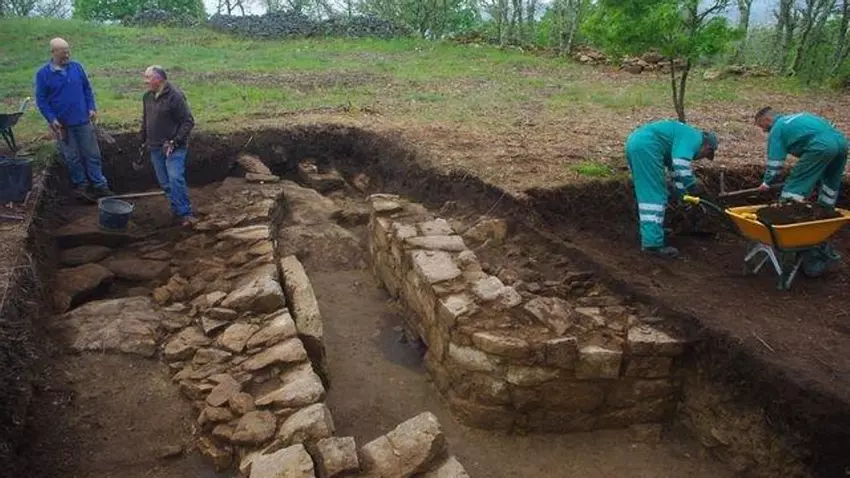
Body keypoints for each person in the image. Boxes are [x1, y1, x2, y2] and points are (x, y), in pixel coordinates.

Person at [624, 120, 719, 259]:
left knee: (652, 192)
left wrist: (682, 195)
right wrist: (692, 186)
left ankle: (653, 230)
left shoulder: (682, 137)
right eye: (704, 156)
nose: (699, 158)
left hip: (638, 143)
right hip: (647, 147)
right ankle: (652, 244)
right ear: (707, 147)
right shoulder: (693, 138)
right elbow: (681, 164)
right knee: (653, 196)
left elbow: (676, 172)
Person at [35, 37, 113, 200]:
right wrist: (51, 118)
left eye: (68, 51)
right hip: (62, 125)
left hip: (83, 120)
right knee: (72, 157)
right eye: (63, 52)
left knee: (92, 154)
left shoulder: (76, 67)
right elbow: (41, 100)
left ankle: (100, 185)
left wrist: (91, 107)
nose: (67, 55)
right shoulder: (43, 74)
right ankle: (81, 186)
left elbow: (87, 89)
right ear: (53, 52)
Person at [754, 107, 848, 208]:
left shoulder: (777, 128)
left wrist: (766, 183)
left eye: (762, 126)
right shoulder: (802, 116)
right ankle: (826, 208)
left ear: (767, 119)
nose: (764, 130)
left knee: (798, 181)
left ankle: (788, 209)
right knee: (831, 179)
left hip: (821, 147)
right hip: (842, 143)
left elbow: (775, 162)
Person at [140, 65, 197, 226]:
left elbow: (188, 121)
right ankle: (176, 210)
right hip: (155, 146)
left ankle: (185, 213)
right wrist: (142, 138)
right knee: (165, 182)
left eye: (148, 77)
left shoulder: (175, 97)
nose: (145, 81)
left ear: (158, 79)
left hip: (173, 147)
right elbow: (146, 119)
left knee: (175, 178)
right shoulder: (147, 97)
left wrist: (175, 141)